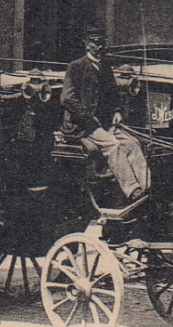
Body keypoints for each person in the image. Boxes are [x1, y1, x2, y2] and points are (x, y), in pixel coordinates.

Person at [61, 27, 149, 202]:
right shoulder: (76, 67)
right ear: (86, 44)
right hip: (83, 126)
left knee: (133, 144)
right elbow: (67, 98)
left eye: (101, 43)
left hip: (105, 123)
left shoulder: (106, 68)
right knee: (114, 146)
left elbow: (113, 95)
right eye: (95, 43)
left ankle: (146, 187)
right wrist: (86, 116)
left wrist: (116, 111)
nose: (99, 46)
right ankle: (132, 190)